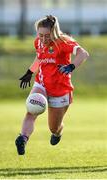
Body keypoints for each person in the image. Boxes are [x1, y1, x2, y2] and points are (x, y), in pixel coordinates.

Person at [15, 15, 89, 155]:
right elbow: (40, 57)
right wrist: (30, 72)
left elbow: (83, 54)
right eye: (40, 35)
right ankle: (23, 138)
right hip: (41, 84)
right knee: (31, 110)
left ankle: (57, 133)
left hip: (60, 90)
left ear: (54, 32)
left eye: (47, 35)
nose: (43, 39)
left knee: (53, 127)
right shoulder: (38, 42)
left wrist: (71, 66)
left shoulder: (63, 42)